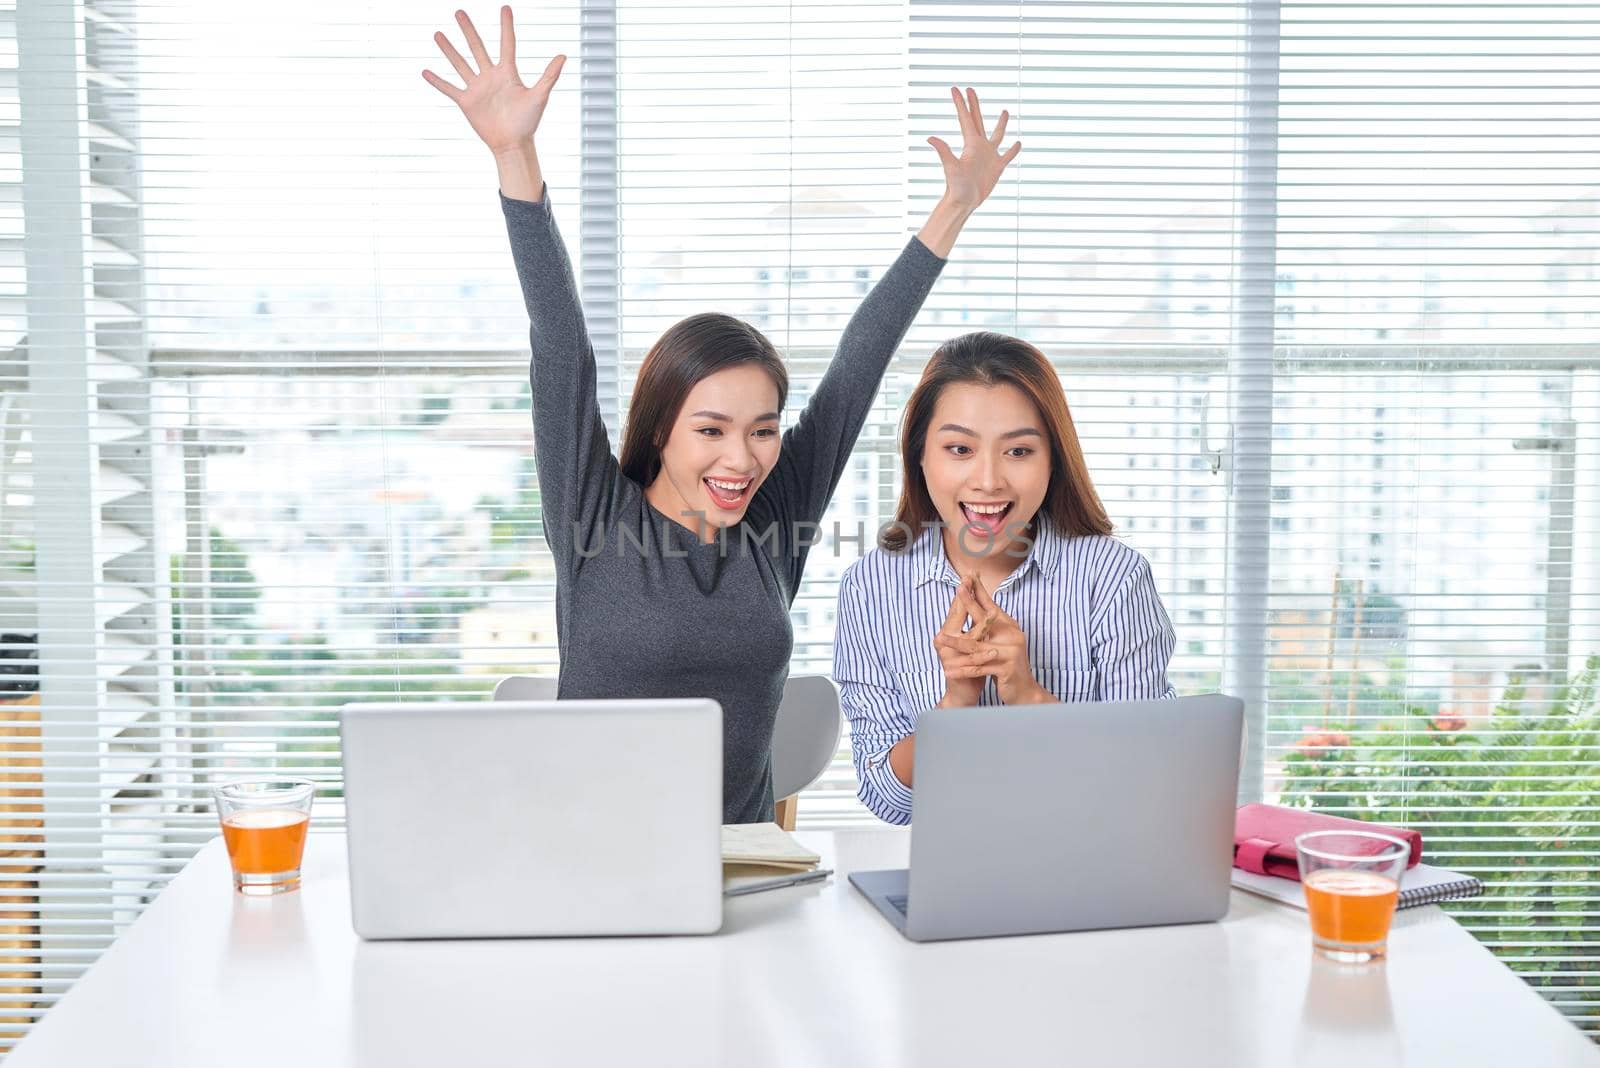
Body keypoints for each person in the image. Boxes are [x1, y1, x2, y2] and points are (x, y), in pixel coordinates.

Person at [423, 6, 1020, 822]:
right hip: (586, 865)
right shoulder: (592, 515)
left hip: (740, 874)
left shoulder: (775, 528)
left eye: (763, 429)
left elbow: (857, 367)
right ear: (661, 429)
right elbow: (561, 343)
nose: (742, 459)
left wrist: (953, 210)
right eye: (711, 430)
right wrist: (515, 155)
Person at [833, 331, 1176, 825]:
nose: (989, 480)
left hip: (1093, 865)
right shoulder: (870, 587)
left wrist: (1027, 695)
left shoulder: (1113, 579)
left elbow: (1150, 779)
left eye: (1018, 452)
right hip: (946, 873)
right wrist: (954, 706)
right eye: (959, 449)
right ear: (919, 456)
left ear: (1053, 459)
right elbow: (888, 801)